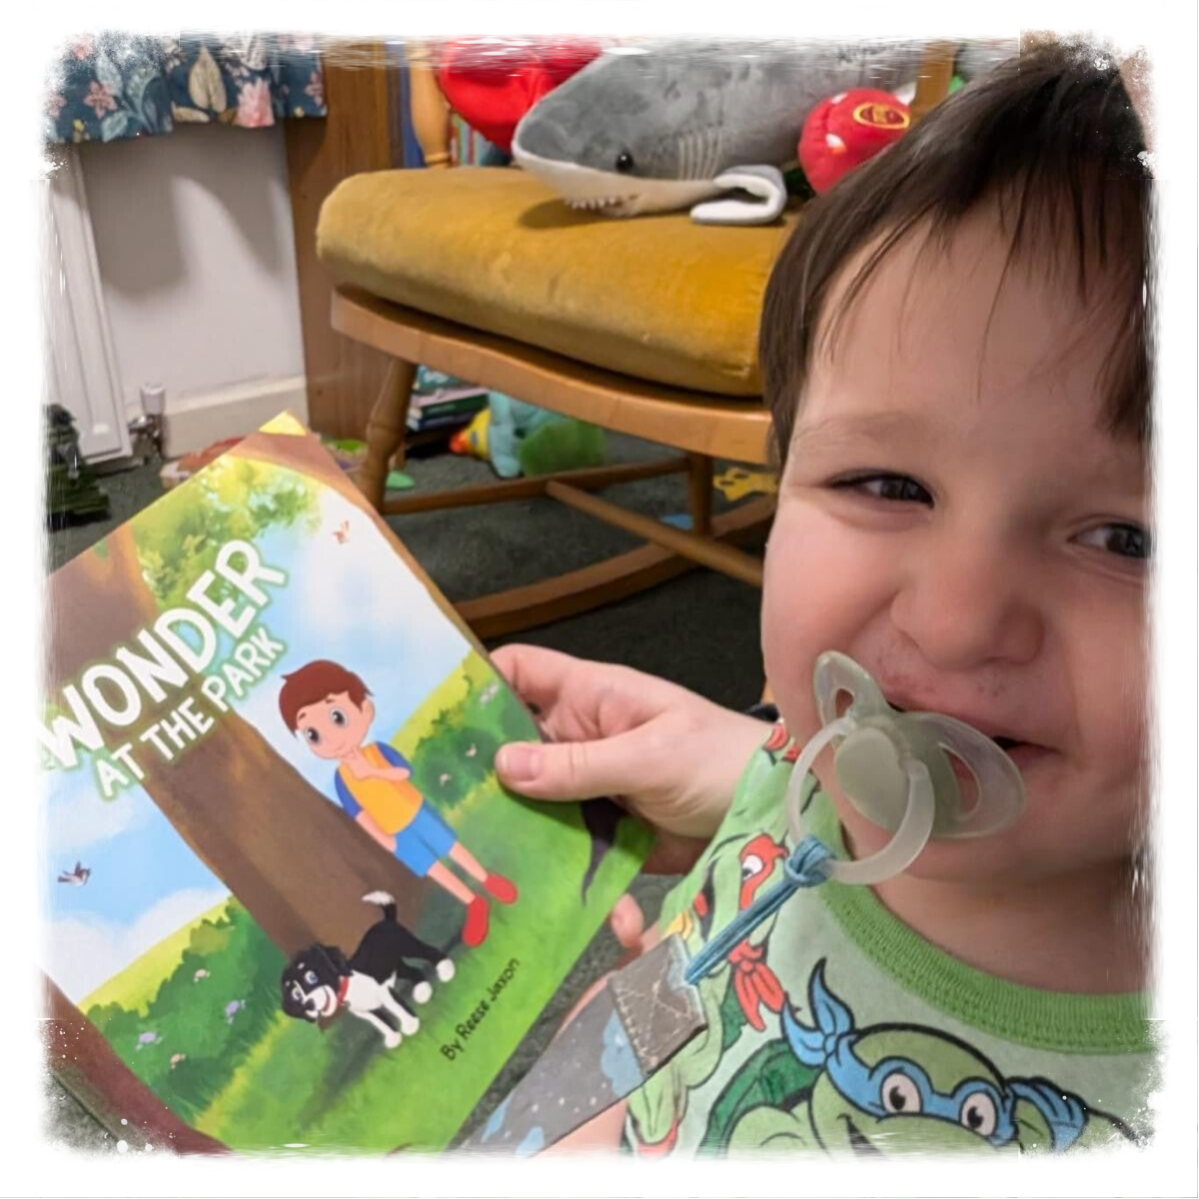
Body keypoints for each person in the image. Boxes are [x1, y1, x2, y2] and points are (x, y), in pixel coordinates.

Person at [491, 42, 1155, 1155]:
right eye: (886, 485)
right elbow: (673, 988)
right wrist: (738, 757)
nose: (952, 622)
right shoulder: (817, 770)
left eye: (1129, 539)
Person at [280, 659, 517, 948]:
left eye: (337, 717)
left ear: (364, 710)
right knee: (432, 867)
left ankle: (486, 879)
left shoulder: (377, 751)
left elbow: (403, 773)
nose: (331, 739)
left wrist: (373, 772)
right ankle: (473, 902)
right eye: (313, 735)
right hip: (395, 834)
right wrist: (388, 842)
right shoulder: (342, 779)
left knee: (449, 846)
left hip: (415, 811)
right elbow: (361, 816)